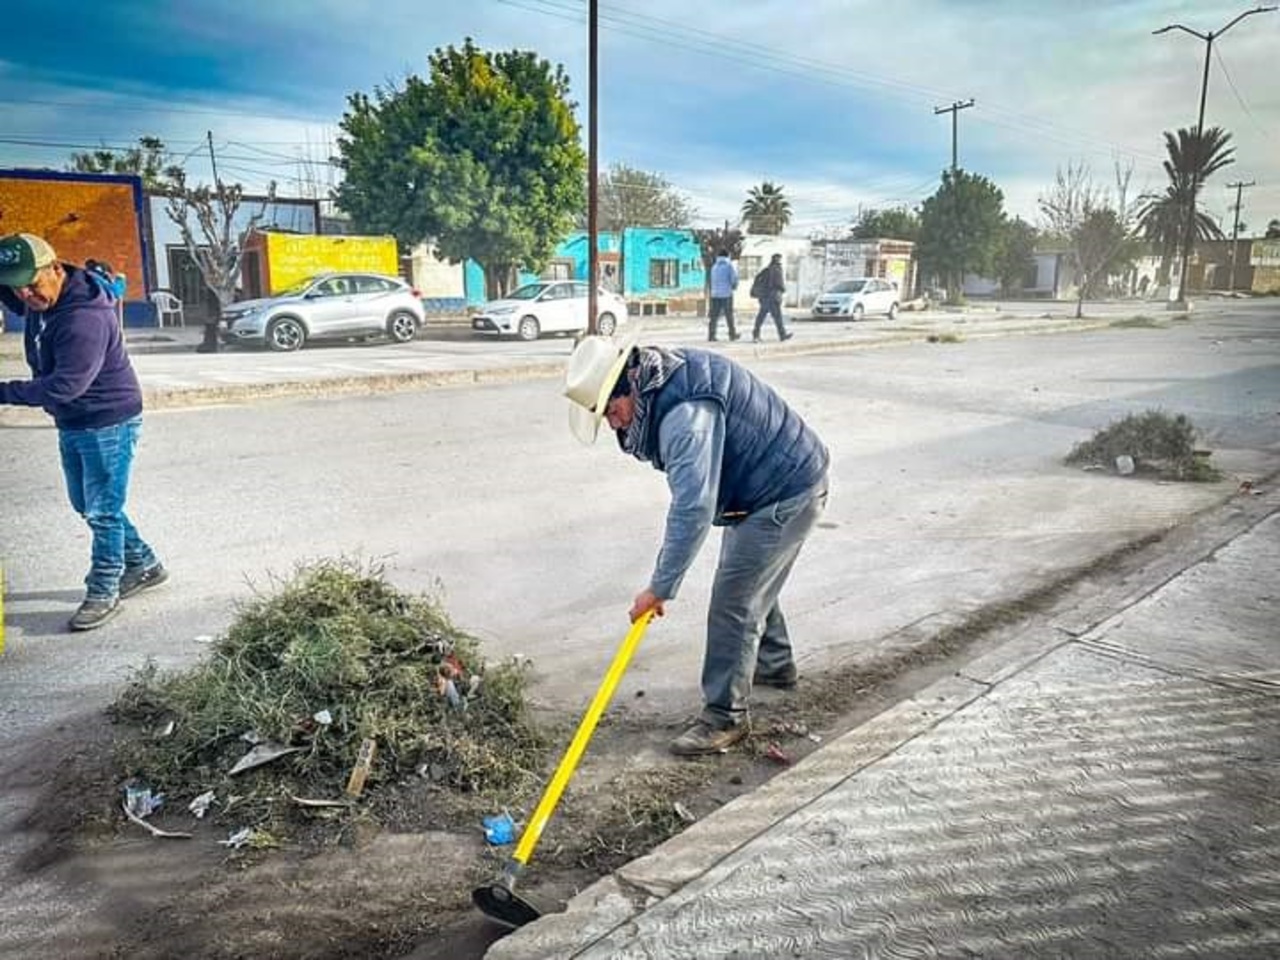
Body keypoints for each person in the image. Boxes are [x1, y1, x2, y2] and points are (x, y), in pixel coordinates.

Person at [563, 331, 829, 756]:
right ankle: (776, 667)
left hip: (785, 489)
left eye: (612, 411)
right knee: (749, 578)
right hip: (763, 487)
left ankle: (726, 717)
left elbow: (692, 508)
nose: (614, 424)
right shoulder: (656, 380)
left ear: (627, 384)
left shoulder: (683, 416)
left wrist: (659, 588)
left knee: (734, 602)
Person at [0, 234, 167, 631]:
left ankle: (104, 589)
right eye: (15, 286)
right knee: (86, 504)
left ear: (56, 269)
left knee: (102, 510)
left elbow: (63, 387)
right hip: (74, 419)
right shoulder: (44, 294)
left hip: (107, 419)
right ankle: (145, 562)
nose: (25, 295)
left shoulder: (83, 317)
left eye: (32, 283)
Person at [750, 253, 792, 343]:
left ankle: (755, 334)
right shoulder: (777, 269)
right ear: (778, 260)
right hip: (773, 297)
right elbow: (779, 284)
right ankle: (782, 335)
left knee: (761, 317)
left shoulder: (766, 270)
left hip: (764, 297)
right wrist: (783, 290)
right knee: (778, 318)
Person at [707, 250, 740, 342]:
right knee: (729, 315)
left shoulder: (714, 266)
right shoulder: (729, 266)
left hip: (715, 294)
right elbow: (734, 279)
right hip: (726, 294)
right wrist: (734, 286)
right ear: (727, 255)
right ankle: (732, 334)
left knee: (714, 316)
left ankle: (711, 335)